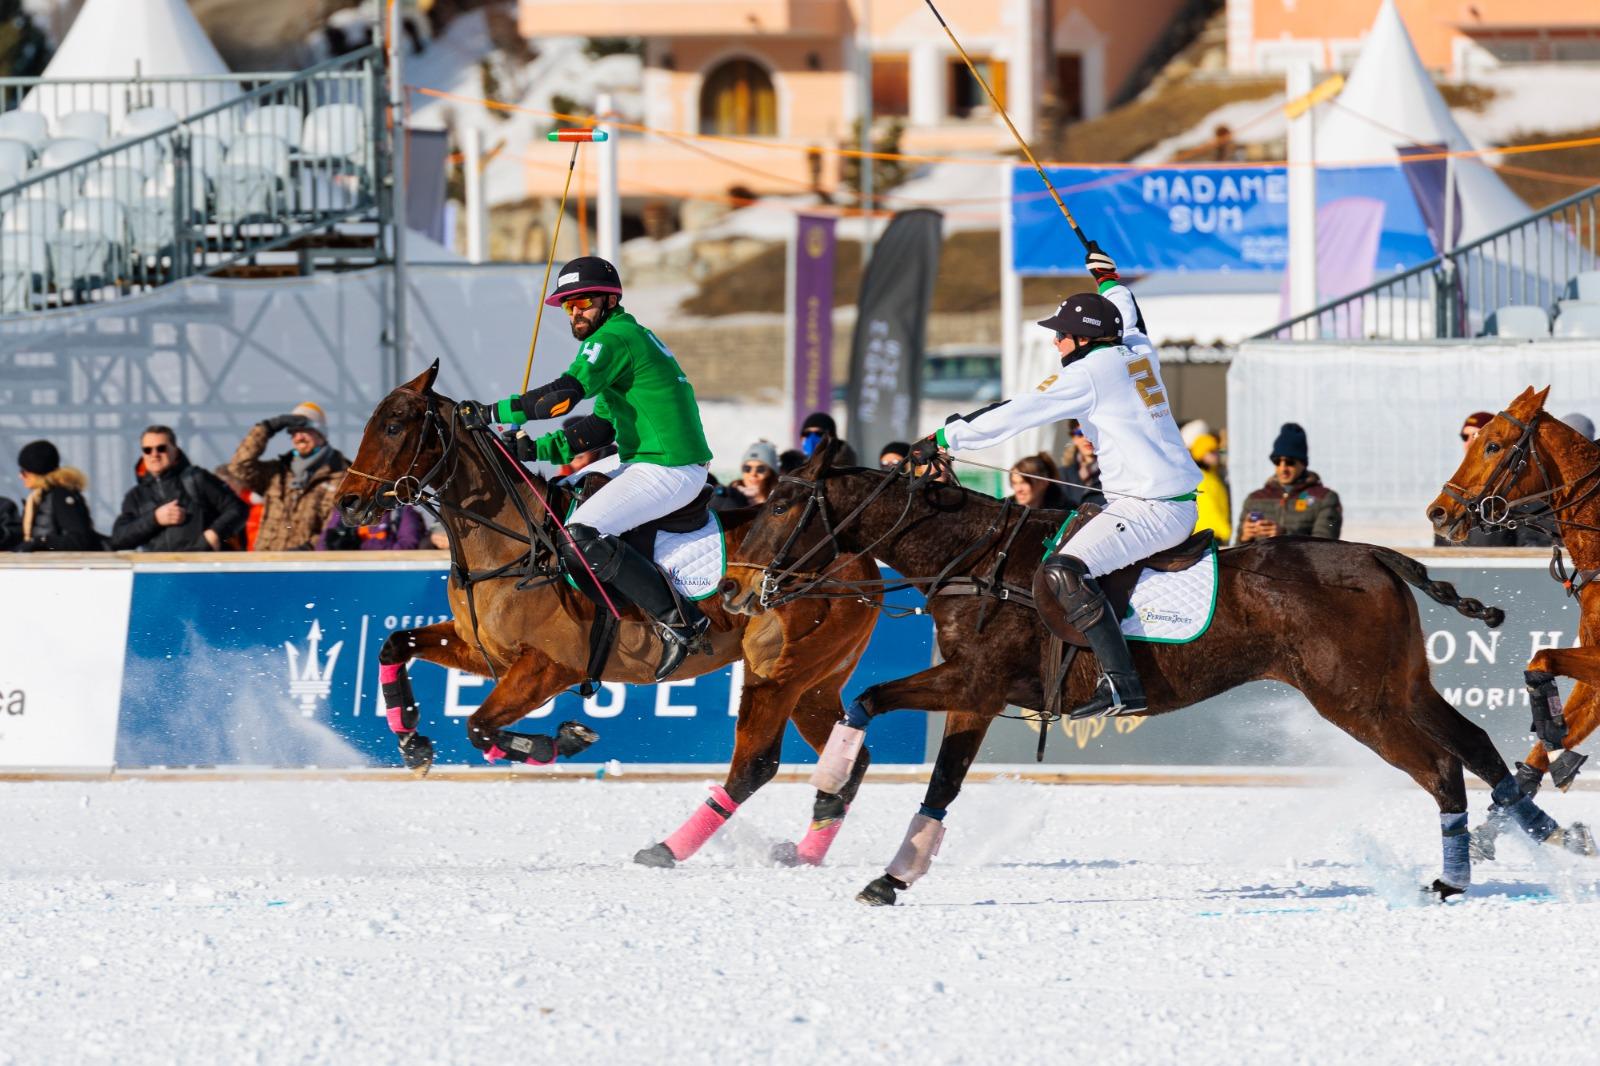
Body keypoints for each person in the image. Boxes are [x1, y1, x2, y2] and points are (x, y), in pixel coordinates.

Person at [911, 243, 1198, 719]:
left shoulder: (1091, 372)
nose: (1055, 343)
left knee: (1064, 569)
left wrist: (945, 436)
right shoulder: (1135, 351)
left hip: (1151, 508)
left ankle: (1122, 684)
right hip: (1162, 500)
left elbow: (1020, 410)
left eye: (1061, 335)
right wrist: (1108, 280)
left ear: (1083, 340)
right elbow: (1130, 317)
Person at [463, 255, 714, 681]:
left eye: (583, 302)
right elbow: (599, 426)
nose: (575, 312)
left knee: (581, 535)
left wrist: (491, 411)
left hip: (670, 466)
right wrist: (537, 450)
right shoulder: (625, 338)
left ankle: (681, 620)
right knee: (558, 507)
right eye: (567, 305)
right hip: (645, 459)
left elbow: (562, 397)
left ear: (609, 299)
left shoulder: (614, 339)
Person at [228, 400, 351, 552]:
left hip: (308, 567)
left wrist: (308, 549)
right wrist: (267, 428)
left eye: (305, 430)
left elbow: (336, 528)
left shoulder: (340, 477)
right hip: (267, 564)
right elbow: (239, 467)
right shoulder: (277, 473)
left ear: (321, 434)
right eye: (293, 431)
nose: (298, 437)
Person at [111, 425, 247, 552]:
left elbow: (238, 509)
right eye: (147, 450)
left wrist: (214, 534)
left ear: (175, 450)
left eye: (161, 448)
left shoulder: (197, 479)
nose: (154, 454)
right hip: (160, 574)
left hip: (205, 568)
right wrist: (155, 519)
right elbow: (119, 539)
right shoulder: (135, 496)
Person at [1433, 411, 1549, 548]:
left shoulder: (1514, 486)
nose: (1470, 441)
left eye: (1476, 435)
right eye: (1465, 436)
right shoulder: (1457, 487)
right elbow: (1442, 546)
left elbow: (1533, 543)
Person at [1235, 423, 1342, 543]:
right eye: (1277, 461)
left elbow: (1326, 544)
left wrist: (1284, 536)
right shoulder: (1254, 499)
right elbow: (1236, 551)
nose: (1283, 468)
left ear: (1303, 463)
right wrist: (1244, 538)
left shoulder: (1326, 498)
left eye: (1289, 462)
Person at [14, 439, 103, 552]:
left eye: (24, 472)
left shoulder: (60, 496)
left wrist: (42, 542)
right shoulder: (39, 498)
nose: (20, 476)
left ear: (36, 472)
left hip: (62, 567)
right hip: (47, 566)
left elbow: (78, 541)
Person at [318, 504, 426, 551]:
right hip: (347, 578)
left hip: (387, 578)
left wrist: (358, 547)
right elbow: (322, 546)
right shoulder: (347, 510)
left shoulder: (402, 512)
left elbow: (408, 547)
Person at [1189, 432, 1231, 543]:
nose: (1216, 455)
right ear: (1200, 454)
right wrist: (1228, 533)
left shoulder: (1213, 476)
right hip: (1208, 536)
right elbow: (1210, 510)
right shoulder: (1201, 479)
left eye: (1217, 451)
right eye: (1211, 452)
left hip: (1212, 534)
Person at [1060, 421, 1105, 509]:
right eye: (1080, 433)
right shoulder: (1061, 475)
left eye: (1092, 433)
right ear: (1074, 438)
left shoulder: (1112, 473)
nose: (1087, 439)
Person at [730, 440, 778, 506]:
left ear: (770, 473)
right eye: (747, 468)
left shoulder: (779, 500)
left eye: (760, 469)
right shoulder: (729, 497)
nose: (753, 474)